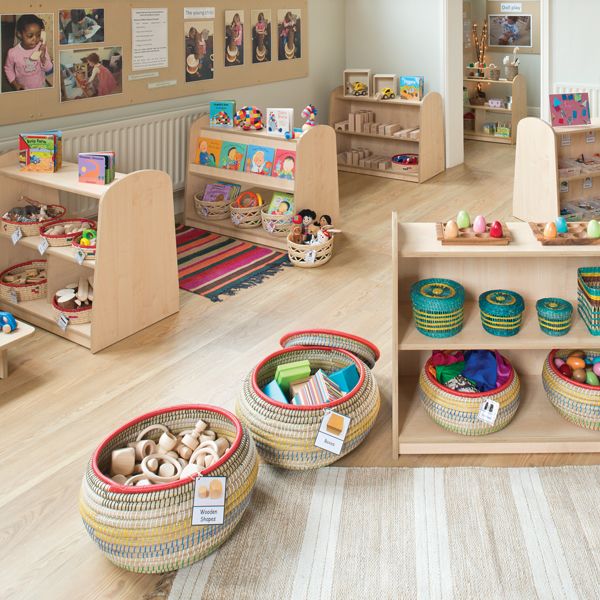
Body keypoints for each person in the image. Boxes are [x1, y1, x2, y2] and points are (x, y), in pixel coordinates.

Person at [4, 14, 53, 91]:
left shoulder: (41, 47)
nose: (35, 39)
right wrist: (15, 84)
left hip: (41, 85)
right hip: (23, 88)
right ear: (19, 34)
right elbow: (8, 69)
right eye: (30, 36)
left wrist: (43, 58)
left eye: (38, 35)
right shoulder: (12, 53)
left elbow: (49, 69)